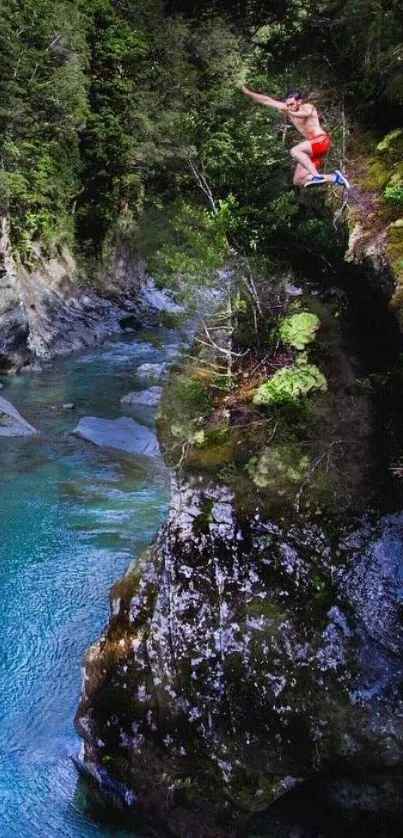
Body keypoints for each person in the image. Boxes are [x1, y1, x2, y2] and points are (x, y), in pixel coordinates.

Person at [241, 85, 349, 189]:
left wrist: (289, 112)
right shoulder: (289, 109)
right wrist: (248, 93)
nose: (289, 107)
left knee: (294, 151)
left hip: (321, 141)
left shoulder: (308, 107)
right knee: (298, 180)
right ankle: (334, 177)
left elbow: (305, 114)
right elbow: (267, 100)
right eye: (287, 105)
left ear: (299, 101)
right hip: (312, 149)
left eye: (292, 104)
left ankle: (316, 176)